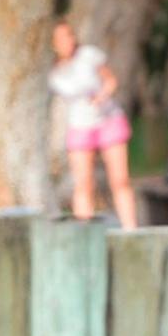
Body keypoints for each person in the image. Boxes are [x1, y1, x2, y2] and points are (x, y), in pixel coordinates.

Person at [49, 19, 138, 229]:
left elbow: (110, 80)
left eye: (70, 35)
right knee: (83, 183)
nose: (68, 41)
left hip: (107, 119)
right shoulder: (54, 73)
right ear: (53, 43)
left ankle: (130, 229)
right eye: (62, 38)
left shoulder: (88, 55)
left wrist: (103, 95)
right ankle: (84, 231)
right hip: (80, 125)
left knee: (120, 180)